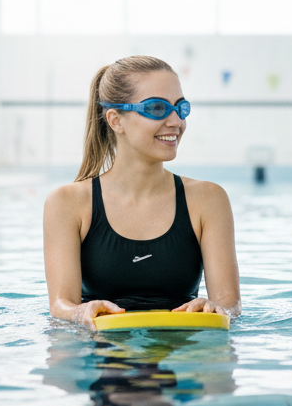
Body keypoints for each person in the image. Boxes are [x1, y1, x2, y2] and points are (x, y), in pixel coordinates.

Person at [43, 55, 240, 328]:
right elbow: (61, 306)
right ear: (115, 120)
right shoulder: (68, 203)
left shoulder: (208, 200)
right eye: (157, 108)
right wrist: (79, 312)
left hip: (183, 352)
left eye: (180, 108)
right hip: (101, 352)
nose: (176, 121)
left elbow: (230, 305)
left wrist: (215, 307)